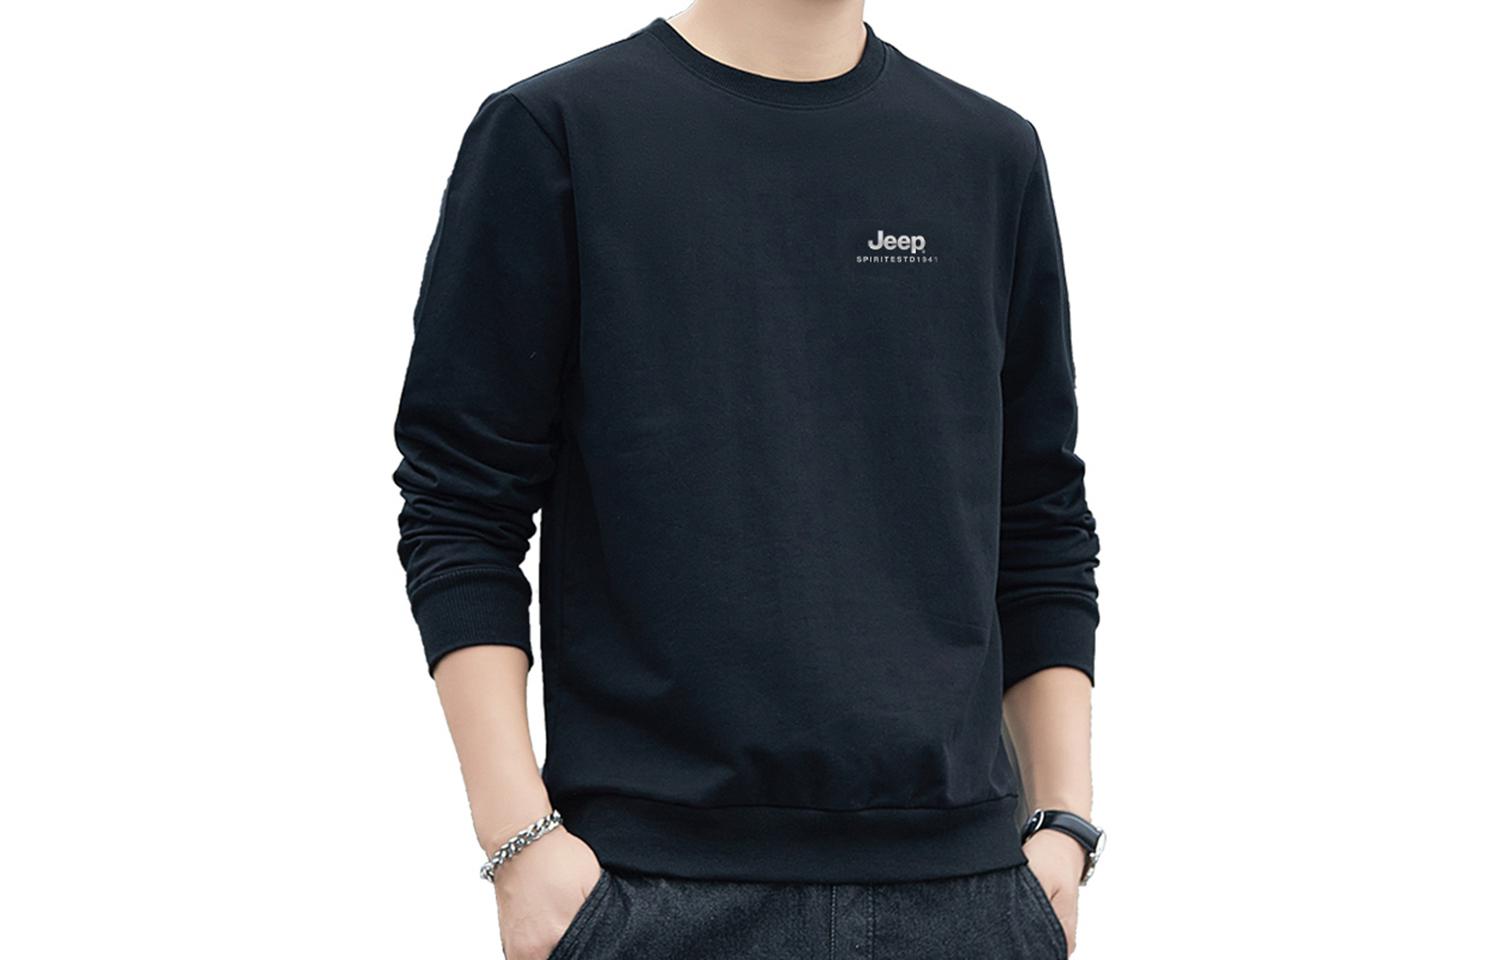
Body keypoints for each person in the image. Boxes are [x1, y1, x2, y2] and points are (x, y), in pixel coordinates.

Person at [392, 2, 1104, 956]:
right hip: (652, 892)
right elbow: (460, 501)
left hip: (964, 894)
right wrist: (520, 844)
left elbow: (1039, 513)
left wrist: (1064, 827)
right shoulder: (558, 132)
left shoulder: (988, 154)